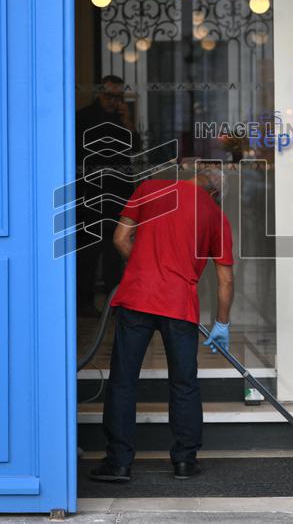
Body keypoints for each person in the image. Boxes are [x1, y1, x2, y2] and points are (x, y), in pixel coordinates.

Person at [89, 167, 234, 483]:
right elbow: (225, 280)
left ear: (191, 178)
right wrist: (222, 322)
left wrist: (142, 264)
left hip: (137, 297)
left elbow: (119, 237)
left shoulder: (150, 188)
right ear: (215, 193)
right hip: (179, 305)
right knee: (184, 383)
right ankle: (184, 461)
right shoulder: (216, 216)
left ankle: (119, 464)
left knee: (123, 381)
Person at [74, 75, 138, 318]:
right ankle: (84, 303)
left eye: (119, 97)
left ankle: (115, 301)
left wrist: (127, 121)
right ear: (100, 94)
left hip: (118, 192)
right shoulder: (83, 117)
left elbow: (134, 147)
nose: (114, 101)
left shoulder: (121, 119)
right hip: (91, 192)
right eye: (110, 96)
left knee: (116, 249)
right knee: (89, 252)